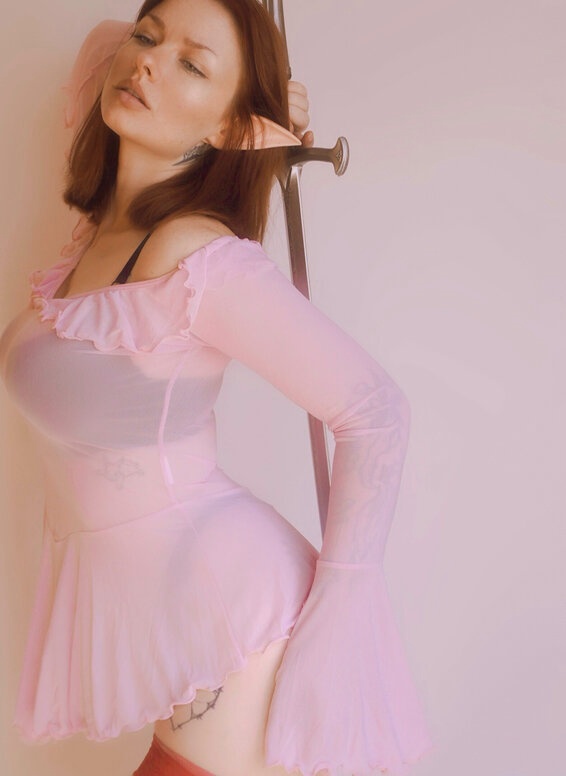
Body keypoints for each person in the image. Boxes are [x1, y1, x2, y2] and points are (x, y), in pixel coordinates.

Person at [0, 1, 435, 775]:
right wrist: (235, 87)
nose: (146, 62)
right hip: (176, 615)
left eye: (191, 65)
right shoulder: (100, 238)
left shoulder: (197, 260)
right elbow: (107, 49)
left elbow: (376, 412)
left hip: (236, 614)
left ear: (231, 129)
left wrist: (346, 596)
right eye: (147, 36)